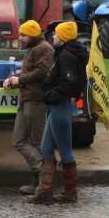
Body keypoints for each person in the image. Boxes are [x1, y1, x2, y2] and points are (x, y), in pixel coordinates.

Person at [32, 21, 88, 205]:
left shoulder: (66, 56)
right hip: (56, 105)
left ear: (63, 38)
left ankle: (70, 192)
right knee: (46, 148)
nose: (53, 37)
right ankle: (44, 191)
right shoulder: (67, 53)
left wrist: (51, 94)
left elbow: (68, 83)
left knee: (64, 149)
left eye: (56, 35)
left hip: (59, 106)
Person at [3, 20, 53, 195]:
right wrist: (14, 79)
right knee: (19, 140)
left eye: (23, 35)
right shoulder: (34, 49)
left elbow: (43, 72)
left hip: (36, 101)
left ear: (32, 34)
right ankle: (41, 171)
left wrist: (19, 80)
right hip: (26, 100)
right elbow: (31, 72)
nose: (21, 38)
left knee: (37, 142)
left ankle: (43, 177)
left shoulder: (44, 49)